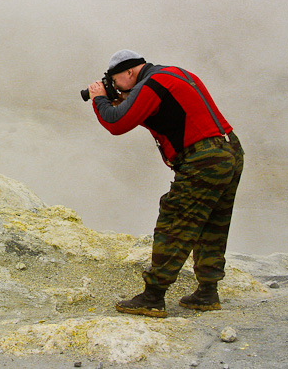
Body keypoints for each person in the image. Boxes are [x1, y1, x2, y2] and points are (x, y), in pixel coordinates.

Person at [88, 49, 244, 318]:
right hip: (229, 151)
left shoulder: (153, 83)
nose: (113, 86)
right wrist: (125, 98)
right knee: (212, 223)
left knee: (175, 220)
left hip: (203, 157)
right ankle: (207, 293)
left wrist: (99, 98)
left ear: (129, 72)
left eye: (114, 81)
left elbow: (117, 123)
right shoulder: (173, 74)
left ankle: (153, 297)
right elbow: (160, 117)